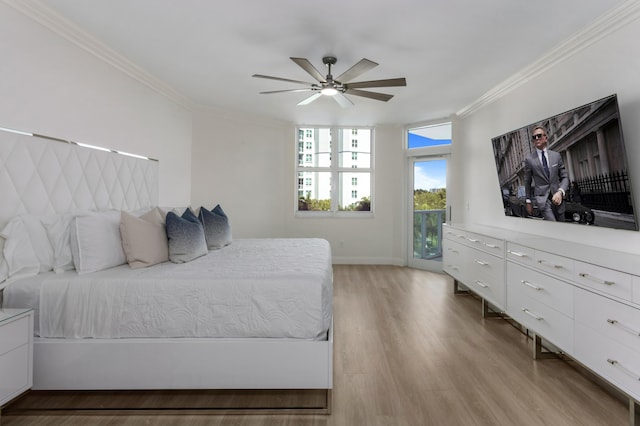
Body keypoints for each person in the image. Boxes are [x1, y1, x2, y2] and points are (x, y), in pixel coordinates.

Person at [524, 126, 569, 221]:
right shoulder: (529, 159)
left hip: (558, 199)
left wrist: (560, 192)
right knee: (553, 225)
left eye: (539, 135)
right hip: (543, 200)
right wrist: (528, 201)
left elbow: (564, 177)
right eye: (534, 137)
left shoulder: (556, 156)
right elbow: (527, 182)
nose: (536, 138)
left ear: (546, 138)